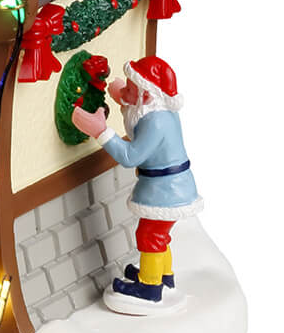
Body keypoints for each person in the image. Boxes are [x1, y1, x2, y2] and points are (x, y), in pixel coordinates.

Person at [71, 54, 203, 313]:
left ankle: (149, 287)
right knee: (159, 235)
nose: (125, 92)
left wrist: (101, 131)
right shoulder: (155, 109)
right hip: (170, 188)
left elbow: (130, 157)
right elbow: (136, 113)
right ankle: (162, 276)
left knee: (149, 235)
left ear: (146, 95)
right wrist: (124, 96)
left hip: (166, 190)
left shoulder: (155, 121)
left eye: (131, 89)